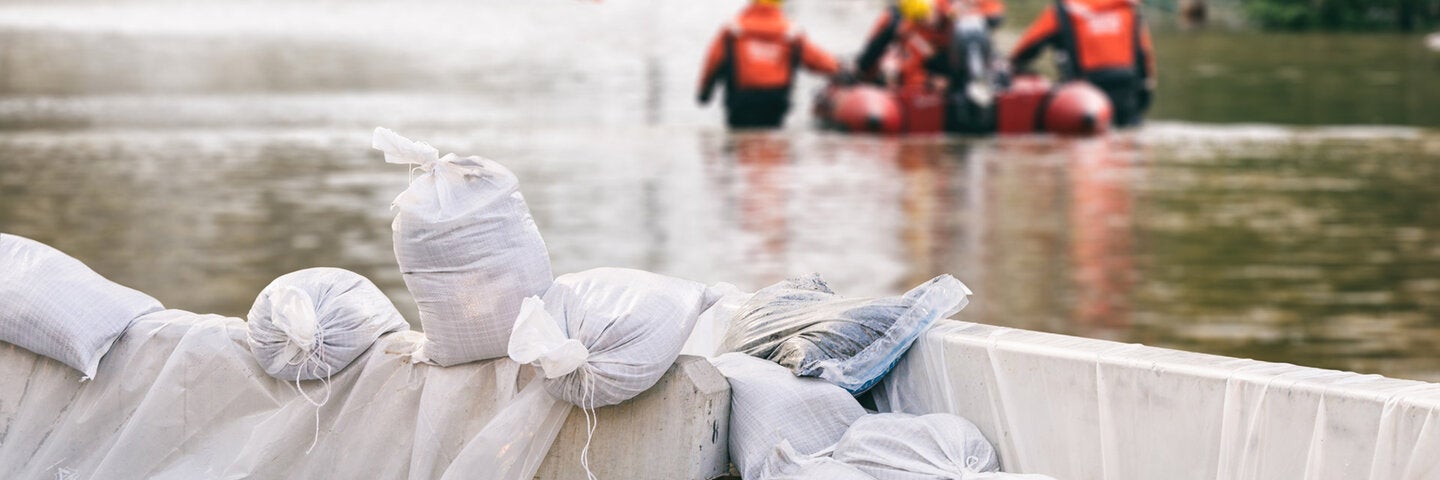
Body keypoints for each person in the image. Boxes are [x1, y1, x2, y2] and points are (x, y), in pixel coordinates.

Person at [1009, 0, 1156, 127]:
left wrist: (1013, 66)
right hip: (1126, 92)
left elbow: (1026, 48)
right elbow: (1144, 55)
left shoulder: (1065, 8)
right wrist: (1145, 94)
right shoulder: (1128, 7)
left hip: (1083, 95)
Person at [697, 0, 840, 128]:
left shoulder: (733, 29)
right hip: (775, 103)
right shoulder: (791, 32)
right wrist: (839, 69)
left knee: (738, 146)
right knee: (772, 144)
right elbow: (817, 60)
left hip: (740, 103)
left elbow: (713, 61)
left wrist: (704, 92)